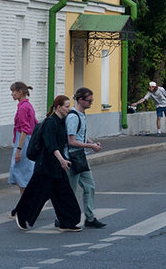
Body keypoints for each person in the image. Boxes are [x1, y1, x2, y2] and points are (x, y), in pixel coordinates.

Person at [13, 95, 82, 232]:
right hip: (46, 166)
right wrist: (62, 159)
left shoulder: (62, 122)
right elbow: (51, 145)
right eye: (66, 106)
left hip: (56, 166)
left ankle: (67, 222)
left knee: (63, 195)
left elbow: (64, 142)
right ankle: (22, 215)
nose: (69, 109)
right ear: (58, 107)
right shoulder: (51, 123)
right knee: (35, 194)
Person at [67, 87, 106, 228]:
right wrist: (91, 147)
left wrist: (91, 142)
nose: (91, 103)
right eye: (89, 101)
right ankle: (63, 217)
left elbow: (80, 134)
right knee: (70, 191)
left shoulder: (81, 115)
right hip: (72, 158)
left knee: (90, 186)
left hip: (81, 157)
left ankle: (89, 218)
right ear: (80, 100)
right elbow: (71, 141)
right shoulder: (73, 116)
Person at [7, 81, 36, 192]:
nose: (12, 94)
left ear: (19, 92)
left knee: (20, 173)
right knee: (23, 172)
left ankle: (25, 204)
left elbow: (25, 129)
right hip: (27, 140)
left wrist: (19, 149)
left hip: (23, 141)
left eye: (13, 91)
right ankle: (25, 204)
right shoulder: (27, 106)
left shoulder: (23, 107)